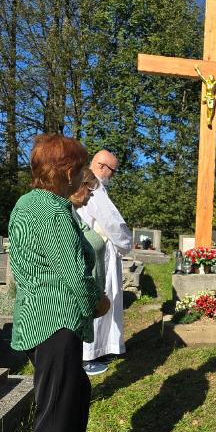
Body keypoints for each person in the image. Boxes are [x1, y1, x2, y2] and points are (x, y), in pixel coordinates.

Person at [10, 134, 111, 432]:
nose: (83, 176)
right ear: (68, 172)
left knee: (75, 395)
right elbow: (71, 273)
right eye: (81, 168)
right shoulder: (51, 211)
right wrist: (96, 300)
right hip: (54, 322)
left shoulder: (31, 203)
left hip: (44, 318)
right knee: (54, 412)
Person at [77, 149, 132, 375]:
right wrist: (126, 243)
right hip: (99, 250)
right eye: (113, 170)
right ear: (102, 167)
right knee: (101, 297)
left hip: (89, 246)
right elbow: (112, 223)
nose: (113, 175)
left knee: (100, 298)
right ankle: (89, 355)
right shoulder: (94, 187)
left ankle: (101, 348)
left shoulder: (80, 182)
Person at [70, 169, 107, 295]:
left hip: (93, 298)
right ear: (80, 186)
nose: (91, 195)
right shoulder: (64, 215)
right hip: (82, 299)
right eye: (90, 190)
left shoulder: (75, 213)